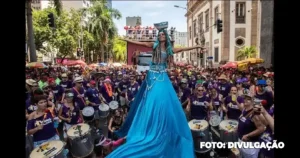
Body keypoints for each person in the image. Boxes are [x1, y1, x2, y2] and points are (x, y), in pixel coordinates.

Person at [107, 22, 203, 158]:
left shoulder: (169, 49)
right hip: (152, 76)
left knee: (166, 102)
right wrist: (125, 39)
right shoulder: (154, 45)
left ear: (166, 37)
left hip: (162, 76)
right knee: (153, 100)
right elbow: (138, 42)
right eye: (160, 34)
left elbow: (183, 49)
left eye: (163, 34)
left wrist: (196, 46)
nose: (161, 36)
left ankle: (165, 129)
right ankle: (149, 129)